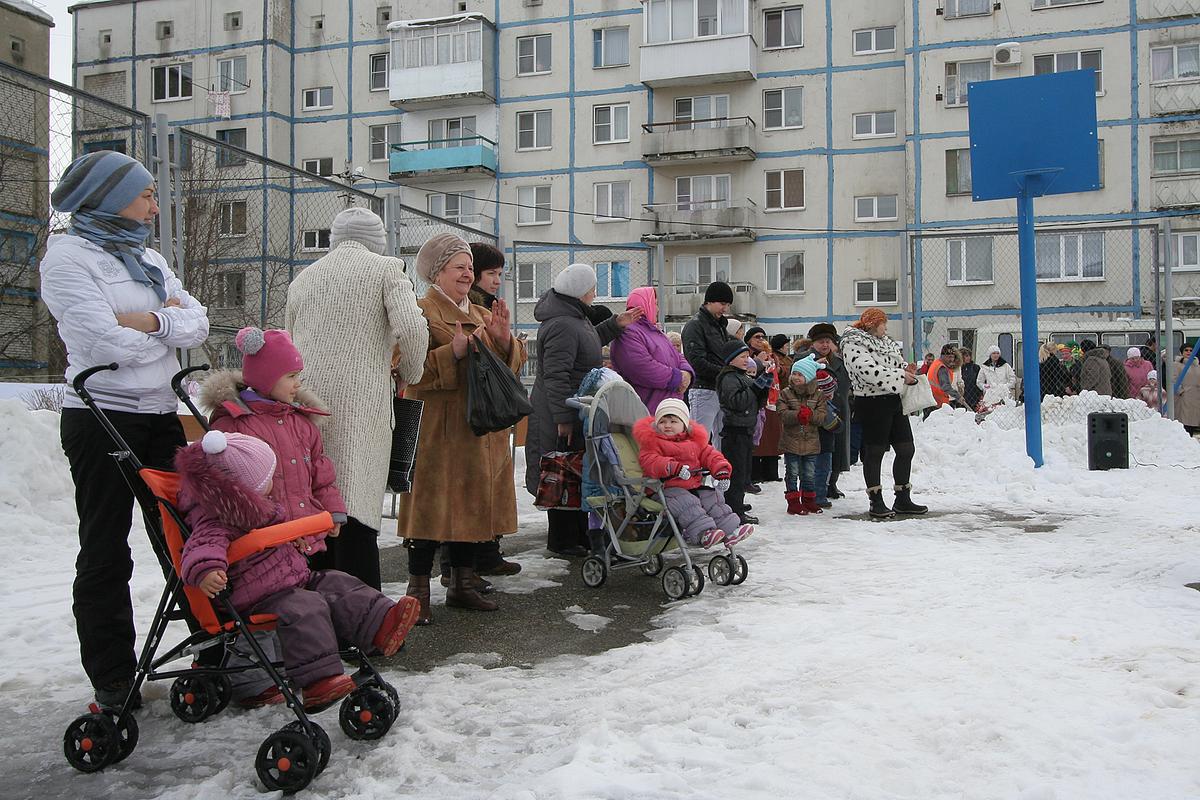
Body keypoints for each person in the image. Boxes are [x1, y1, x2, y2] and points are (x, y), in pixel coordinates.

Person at [41, 150, 210, 708]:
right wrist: (163, 333)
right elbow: (100, 342)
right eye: (146, 195)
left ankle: (214, 647)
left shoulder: (150, 258)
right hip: (101, 416)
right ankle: (113, 672)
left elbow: (199, 321)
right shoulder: (67, 259)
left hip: (161, 416)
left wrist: (154, 322)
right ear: (111, 197)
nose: (155, 206)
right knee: (106, 545)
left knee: (188, 538)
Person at [176, 430, 420, 711]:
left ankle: (382, 625)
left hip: (289, 580)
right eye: (267, 479)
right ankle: (318, 681)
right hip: (255, 594)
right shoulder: (216, 518)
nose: (272, 483)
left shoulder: (256, 509)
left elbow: (270, 534)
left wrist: (289, 536)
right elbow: (200, 548)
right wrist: (207, 571)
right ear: (242, 489)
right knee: (306, 607)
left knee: (338, 583)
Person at [286, 206, 428, 591]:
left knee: (317, 501)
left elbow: (289, 344)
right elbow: (413, 330)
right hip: (362, 403)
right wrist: (408, 374)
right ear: (377, 240)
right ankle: (362, 614)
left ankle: (317, 610)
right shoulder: (386, 269)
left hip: (305, 402)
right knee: (357, 503)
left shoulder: (302, 279)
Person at [401, 233, 527, 623]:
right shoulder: (421, 312)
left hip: (479, 427)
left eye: (470, 268)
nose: (468, 273)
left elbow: (509, 367)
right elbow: (407, 368)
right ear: (437, 272)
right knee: (430, 505)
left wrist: (506, 341)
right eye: (459, 267)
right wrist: (450, 354)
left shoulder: (480, 312)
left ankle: (462, 583)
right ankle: (417, 590)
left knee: (474, 502)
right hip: (439, 427)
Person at [524, 262, 641, 557]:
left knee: (574, 469)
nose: (594, 292)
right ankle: (562, 540)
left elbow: (586, 344)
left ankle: (576, 535)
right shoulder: (563, 323)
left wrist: (615, 324)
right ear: (580, 291)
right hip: (559, 409)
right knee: (561, 469)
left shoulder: (574, 318)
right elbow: (556, 374)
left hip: (574, 405)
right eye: (591, 288)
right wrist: (563, 418)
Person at [841, 308, 927, 519]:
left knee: (906, 448)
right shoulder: (853, 343)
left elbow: (895, 364)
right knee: (875, 451)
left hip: (893, 399)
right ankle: (876, 500)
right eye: (883, 324)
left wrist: (908, 370)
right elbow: (867, 370)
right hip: (871, 402)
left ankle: (902, 498)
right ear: (873, 323)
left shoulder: (886, 342)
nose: (886, 328)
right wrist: (901, 376)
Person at [631, 398, 753, 548]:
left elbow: (711, 455)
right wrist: (673, 467)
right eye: (662, 422)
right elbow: (650, 461)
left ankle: (730, 529)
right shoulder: (652, 442)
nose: (667, 425)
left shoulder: (695, 442)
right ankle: (703, 533)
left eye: (673, 421)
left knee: (712, 497)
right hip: (665, 488)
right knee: (688, 504)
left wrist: (721, 471)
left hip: (691, 486)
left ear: (684, 425)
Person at [609, 286, 694, 414]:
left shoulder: (654, 331)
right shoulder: (629, 332)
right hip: (647, 409)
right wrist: (677, 378)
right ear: (644, 305)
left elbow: (676, 355)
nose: (658, 309)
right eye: (655, 304)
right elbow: (641, 367)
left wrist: (687, 373)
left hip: (667, 407)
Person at [716, 339, 764, 525]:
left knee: (743, 472)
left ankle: (738, 504)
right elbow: (736, 402)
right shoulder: (728, 378)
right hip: (734, 430)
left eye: (747, 356)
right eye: (742, 357)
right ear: (731, 359)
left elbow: (754, 402)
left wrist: (762, 389)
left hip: (745, 428)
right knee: (736, 473)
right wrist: (754, 388)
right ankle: (734, 509)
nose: (746, 360)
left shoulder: (741, 376)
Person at [681, 281, 734, 445]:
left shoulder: (719, 326)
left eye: (727, 305)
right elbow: (696, 362)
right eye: (722, 304)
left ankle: (721, 469)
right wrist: (726, 373)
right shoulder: (695, 326)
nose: (725, 309)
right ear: (709, 301)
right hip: (703, 389)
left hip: (721, 389)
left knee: (723, 438)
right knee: (698, 438)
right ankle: (694, 468)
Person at [777, 355, 826, 515]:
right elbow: (782, 413)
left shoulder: (818, 395)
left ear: (810, 377)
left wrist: (810, 415)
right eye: (794, 373)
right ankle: (793, 503)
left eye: (800, 374)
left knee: (809, 474)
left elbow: (821, 417)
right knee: (792, 473)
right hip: (791, 442)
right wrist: (797, 415)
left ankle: (809, 501)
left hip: (811, 443)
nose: (796, 377)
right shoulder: (785, 393)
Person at [807, 324, 851, 500]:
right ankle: (818, 488)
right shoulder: (807, 360)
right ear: (813, 343)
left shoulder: (839, 361)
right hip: (819, 413)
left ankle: (832, 483)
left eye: (828, 341)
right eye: (820, 342)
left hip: (840, 410)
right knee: (821, 452)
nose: (824, 345)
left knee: (839, 451)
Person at [746, 327, 784, 488]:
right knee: (757, 438)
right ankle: (755, 473)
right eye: (756, 337)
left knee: (773, 436)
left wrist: (778, 366)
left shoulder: (771, 355)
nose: (760, 340)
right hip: (756, 399)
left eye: (762, 337)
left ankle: (771, 472)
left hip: (773, 399)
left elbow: (780, 374)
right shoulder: (746, 355)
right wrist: (759, 362)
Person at [926, 344, 965, 413]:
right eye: (949, 357)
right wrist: (958, 397)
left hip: (932, 401)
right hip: (939, 403)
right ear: (943, 356)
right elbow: (945, 386)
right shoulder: (942, 368)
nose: (951, 359)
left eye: (952, 357)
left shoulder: (936, 363)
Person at [468, 241, 504, 310]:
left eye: (499, 274)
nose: (498, 281)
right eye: (491, 273)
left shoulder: (490, 304)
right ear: (474, 272)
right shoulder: (465, 306)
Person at [1176, 343, 1200, 435]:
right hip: (1184, 399)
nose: (1189, 352)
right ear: (1182, 352)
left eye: (1191, 350)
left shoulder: (1197, 366)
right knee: (1185, 424)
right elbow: (1174, 380)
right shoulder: (1177, 365)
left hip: (1196, 399)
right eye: (1186, 350)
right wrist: (1181, 392)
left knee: (1193, 423)